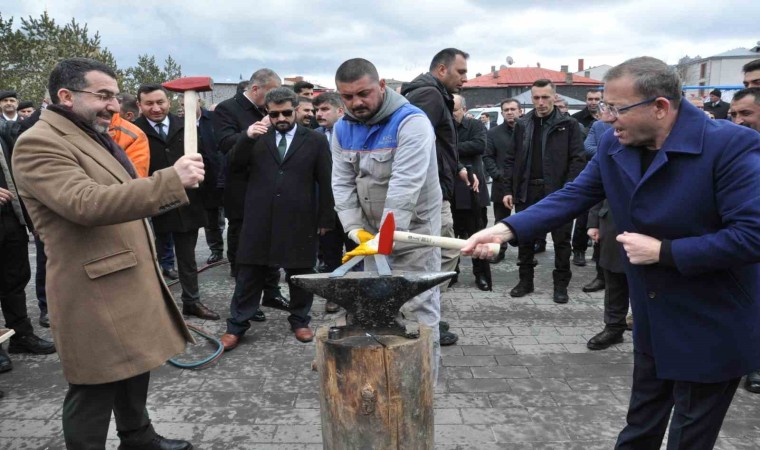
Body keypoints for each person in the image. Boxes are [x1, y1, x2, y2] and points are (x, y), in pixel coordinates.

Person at [463, 56, 760, 450]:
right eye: (604, 106)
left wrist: (665, 251)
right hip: (653, 315)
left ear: (660, 108)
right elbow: (574, 194)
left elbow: (752, 235)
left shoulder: (731, 146)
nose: (605, 118)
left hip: (711, 319)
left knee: (690, 437)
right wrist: (505, 229)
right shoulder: (613, 142)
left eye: (616, 109)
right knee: (640, 426)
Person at [13, 57, 198, 450]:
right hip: (91, 287)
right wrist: (169, 181)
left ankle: (138, 439)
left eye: (114, 96)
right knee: (93, 386)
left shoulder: (91, 133)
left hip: (123, 276)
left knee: (135, 367)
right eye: (103, 96)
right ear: (66, 96)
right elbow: (86, 203)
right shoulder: (38, 142)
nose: (115, 105)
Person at [331, 58, 443, 380]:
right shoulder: (342, 129)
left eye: (363, 93)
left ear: (381, 86)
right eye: (348, 97)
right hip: (371, 239)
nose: (356, 103)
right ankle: (387, 385)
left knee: (419, 312)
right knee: (377, 310)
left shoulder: (411, 122)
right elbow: (341, 182)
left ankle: (424, 389)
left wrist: (389, 235)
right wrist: (354, 230)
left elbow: (405, 186)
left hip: (414, 237)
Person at [219, 87, 334, 349]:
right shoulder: (256, 137)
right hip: (259, 216)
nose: (280, 118)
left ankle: (300, 320)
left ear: (295, 110)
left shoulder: (315, 140)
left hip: (300, 216)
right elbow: (233, 166)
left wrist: (325, 218)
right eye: (274, 114)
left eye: (286, 113)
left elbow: (325, 180)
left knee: (301, 272)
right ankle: (237, 325)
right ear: (266, 113)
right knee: (249, 273)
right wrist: (246, 138)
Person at [402, 47, 474, 346]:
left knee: (439, 254)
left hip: (437, 186)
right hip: (428, 193)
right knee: (439, 254)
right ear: (442, 70)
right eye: (461, 72)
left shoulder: (433, 94)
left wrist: (456, 167)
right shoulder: (429, 96)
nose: (465, 79)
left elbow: (438, 141)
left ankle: (424, 312)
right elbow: (411, 142)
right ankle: (416, 317)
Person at [134, 84, 220, 321]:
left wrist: (210, 195)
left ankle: (191, 301)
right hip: (149, 200)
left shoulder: (186, 126)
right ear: (139, 105)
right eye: (149, 103)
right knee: (149, 255)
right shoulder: (134, 131)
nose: (156, 108)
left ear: (168, 102)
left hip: (187, 201)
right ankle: (156, 307)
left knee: (187, 257)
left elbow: (205, 160)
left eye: (160, 102)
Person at [212, 68, 288, 321]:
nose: (273, 100)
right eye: (270, 93)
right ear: (256, 89)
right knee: (245, 248)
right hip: (242, 189)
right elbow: (224, 143)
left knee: (273, 240)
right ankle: (247, 299)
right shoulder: (227, 109)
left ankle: (272, 292)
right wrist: (251, 133)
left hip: (270, 186)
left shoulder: (268, 108)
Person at [503, 79, 585, 304]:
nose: (541, 102)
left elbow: (578, 160)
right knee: (525, 238)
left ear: (554, 97)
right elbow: (511, 158)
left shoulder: (568, 125)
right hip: (527, 191)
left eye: (545, 97)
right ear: (531, 99)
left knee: (561, 241)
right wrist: (509, 188)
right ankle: (525, 281)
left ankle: (560, 286)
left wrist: (569, 189)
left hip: (558, 192)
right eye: (536, 98)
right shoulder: (522, 124)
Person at [451, 94, 491, 291]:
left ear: (464, 110)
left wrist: (450, 149)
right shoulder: (443, 128)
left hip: (472, 186)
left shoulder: (475, 126)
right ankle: (451, 273)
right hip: (450, 189)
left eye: (455, 110)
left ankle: (481, 274)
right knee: (451, 236)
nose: (452, 114)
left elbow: (479, 145)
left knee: (478, 234)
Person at [483, 98, 521, 263]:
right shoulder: (493, 133)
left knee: (525, 217)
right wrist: (497, 174)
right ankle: (500, 249)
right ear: (502, 113)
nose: (510, 112)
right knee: (500, 220)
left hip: (523, 183)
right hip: (500, 182)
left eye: (513, 109)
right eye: (506, 110)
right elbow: (487, 156)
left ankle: (526, 251)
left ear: (520, 111)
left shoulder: (528, 131)